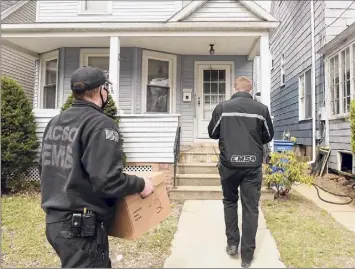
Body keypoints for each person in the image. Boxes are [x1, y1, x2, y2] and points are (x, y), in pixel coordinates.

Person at [39, 66, 154, 268]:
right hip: (80, 228)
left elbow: (45, 168)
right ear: (102, 90)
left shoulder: (55, 122)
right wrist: (141, 184)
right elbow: (107, 181)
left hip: (55, 223)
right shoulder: (101, 124)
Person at [208, 76, 274, 268]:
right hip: (252, 166)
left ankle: (232, 244)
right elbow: (268, 135)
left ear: (234, 88)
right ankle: (247, 257)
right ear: (250, 89)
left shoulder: (222, 108)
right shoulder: (261, 109)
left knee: (229, 201)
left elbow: (213, 132)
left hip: (229, 165)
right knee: (250, 208)